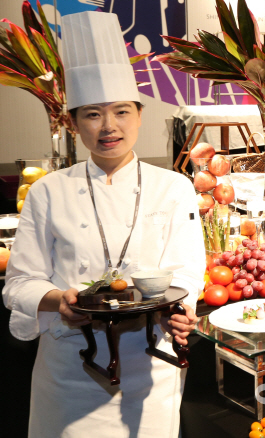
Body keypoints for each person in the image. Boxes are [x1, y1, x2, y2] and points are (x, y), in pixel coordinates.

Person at [2, 11, 205, 438]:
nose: (109, 127)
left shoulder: (174, 187)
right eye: (93, 114)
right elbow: (18, 284)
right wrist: (59, 299)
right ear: (74, 123)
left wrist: (183, 311)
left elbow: (187, 270)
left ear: (139, 115)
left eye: (121, 112)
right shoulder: (48, 191)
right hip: (69, 368)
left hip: (151, 367)